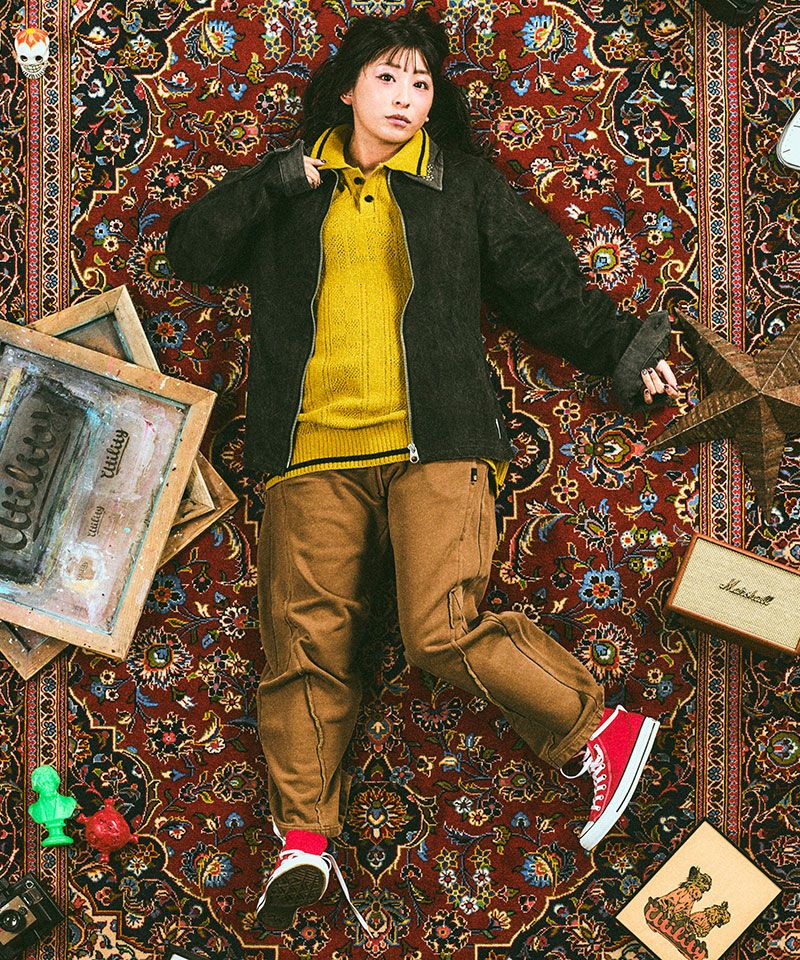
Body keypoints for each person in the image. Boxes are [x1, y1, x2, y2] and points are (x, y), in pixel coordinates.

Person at [165, 10, 679, 935]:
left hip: (436, 441)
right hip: (307, 452)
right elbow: (191, 254)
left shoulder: (461, 186)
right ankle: (304, 842)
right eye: (388, 78)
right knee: (303, 646)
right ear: (347, 89)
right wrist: (276, 179)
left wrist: (623, 352)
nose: (405, 98)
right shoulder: (289, 186)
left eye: (421, 84)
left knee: (441, 630)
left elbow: (545, 287)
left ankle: (598, 727)